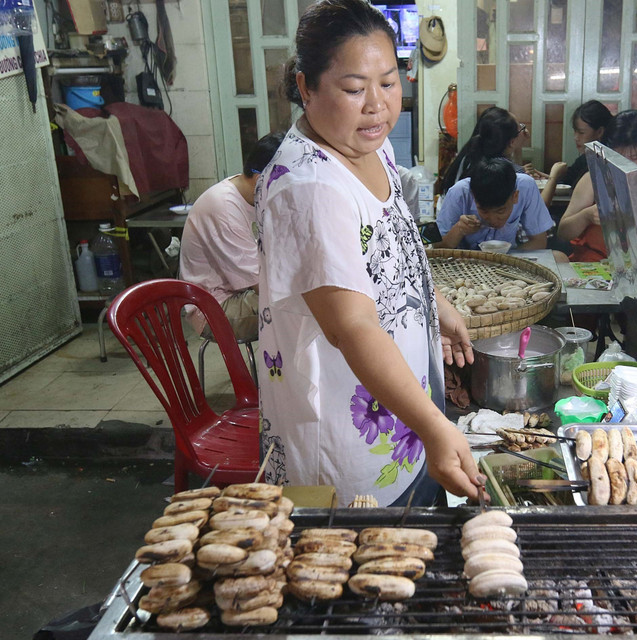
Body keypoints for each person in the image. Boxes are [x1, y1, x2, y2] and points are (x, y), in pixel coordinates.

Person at [255, 0, 483, 507]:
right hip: (350, 437)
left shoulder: (372, 145)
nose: (377, 104)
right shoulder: (310, 186)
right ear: (305, 87)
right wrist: (434, 425)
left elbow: (393, 242)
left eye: (389, 81)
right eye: (355, 89)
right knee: (363, 564)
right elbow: (351, 326)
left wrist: (432, 301)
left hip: (405, 411)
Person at [179, 132, 284, 340]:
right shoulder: (224, 207)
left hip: (242, 292)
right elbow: (260, 284)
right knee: (304, 311)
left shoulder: (254, 195)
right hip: (216, 306)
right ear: (259, 179)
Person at [557, 110, 637, 262]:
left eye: (635, 157)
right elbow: (563, 232)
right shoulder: (593, 179)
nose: (625, 164)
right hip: (594, 262)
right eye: (617, 156)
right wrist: (586, 216)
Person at [435, 157, 553, 250]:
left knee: (559, 257)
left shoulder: (526, 187)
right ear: (473, 197)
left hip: (511, 259)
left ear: (515, 197)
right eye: (484, 211)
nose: (492, 220)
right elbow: (437, 248)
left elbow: (539, 242)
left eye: (500, 211)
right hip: (468, 262)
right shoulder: (459, 193)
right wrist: (459, 229)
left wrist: (506, 260)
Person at [437, 106, 526, 195]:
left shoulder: (472, 152)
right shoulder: (499, 171)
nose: (525, 131)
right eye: (521, 128)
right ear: (511, 141)